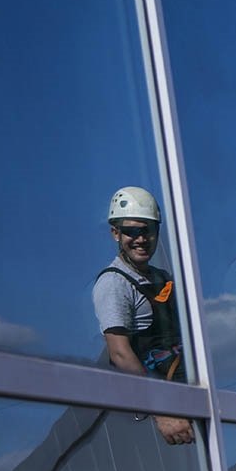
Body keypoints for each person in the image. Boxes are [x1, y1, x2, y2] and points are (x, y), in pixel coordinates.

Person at [93, 186, 194, 446]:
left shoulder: (163, 278)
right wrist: (162, 412)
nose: (141, 238)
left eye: (147, 230)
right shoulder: (114, 283)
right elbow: (120, 354)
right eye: (132, 231)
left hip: (185, 395)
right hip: (163, 416)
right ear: (115, 233)